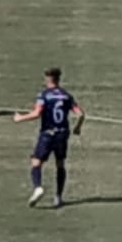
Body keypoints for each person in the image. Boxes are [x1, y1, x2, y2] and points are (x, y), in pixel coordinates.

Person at [13, 67, 85, 208]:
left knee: (36, 162)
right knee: (60, 163)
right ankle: (58, 196)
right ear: (58, 79)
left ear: (47, 79)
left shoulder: (44, 95)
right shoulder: (66, 95)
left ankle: (38, 187)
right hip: (63, 134)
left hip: (48, 133)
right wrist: (77, 127)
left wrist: (20, 118)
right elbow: (81, 114)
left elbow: (36, 113)